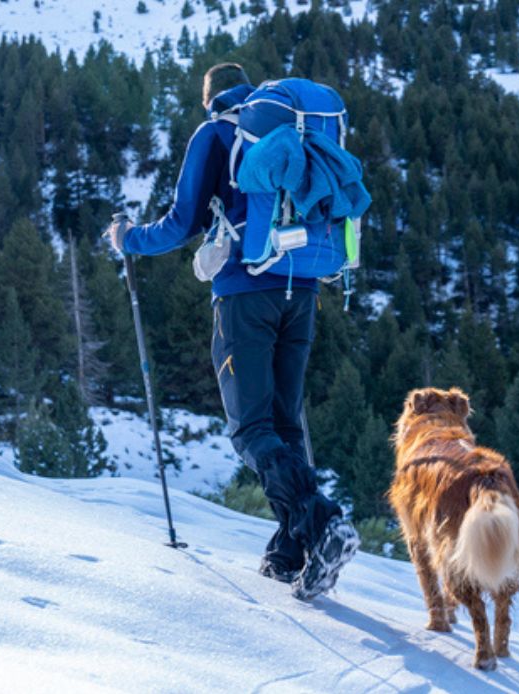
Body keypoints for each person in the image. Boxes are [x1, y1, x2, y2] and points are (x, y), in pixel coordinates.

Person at [106, 63, 359, 600]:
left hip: (244, 295)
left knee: (250, 428)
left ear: (209, 96)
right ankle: (291, 551)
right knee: (285, 422)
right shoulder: (290, 131)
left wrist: (128, 237)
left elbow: (182, 223)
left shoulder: (216, 133)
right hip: (303, 287)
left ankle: (321, 523)